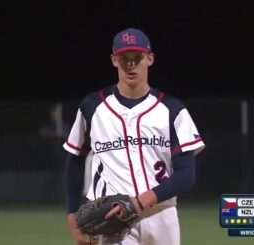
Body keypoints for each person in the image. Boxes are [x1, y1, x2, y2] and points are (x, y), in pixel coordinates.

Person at [63, 27, 205, 245]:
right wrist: (72, 215)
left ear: (150, 59)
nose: (130, 64)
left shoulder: (172, 109)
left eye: (137, 57)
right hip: (113, 220)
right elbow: (74, 159)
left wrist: (138, 203)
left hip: (162, 215)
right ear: (113, 60)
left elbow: (187, 174)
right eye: (124, 58)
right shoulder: (93, 107)